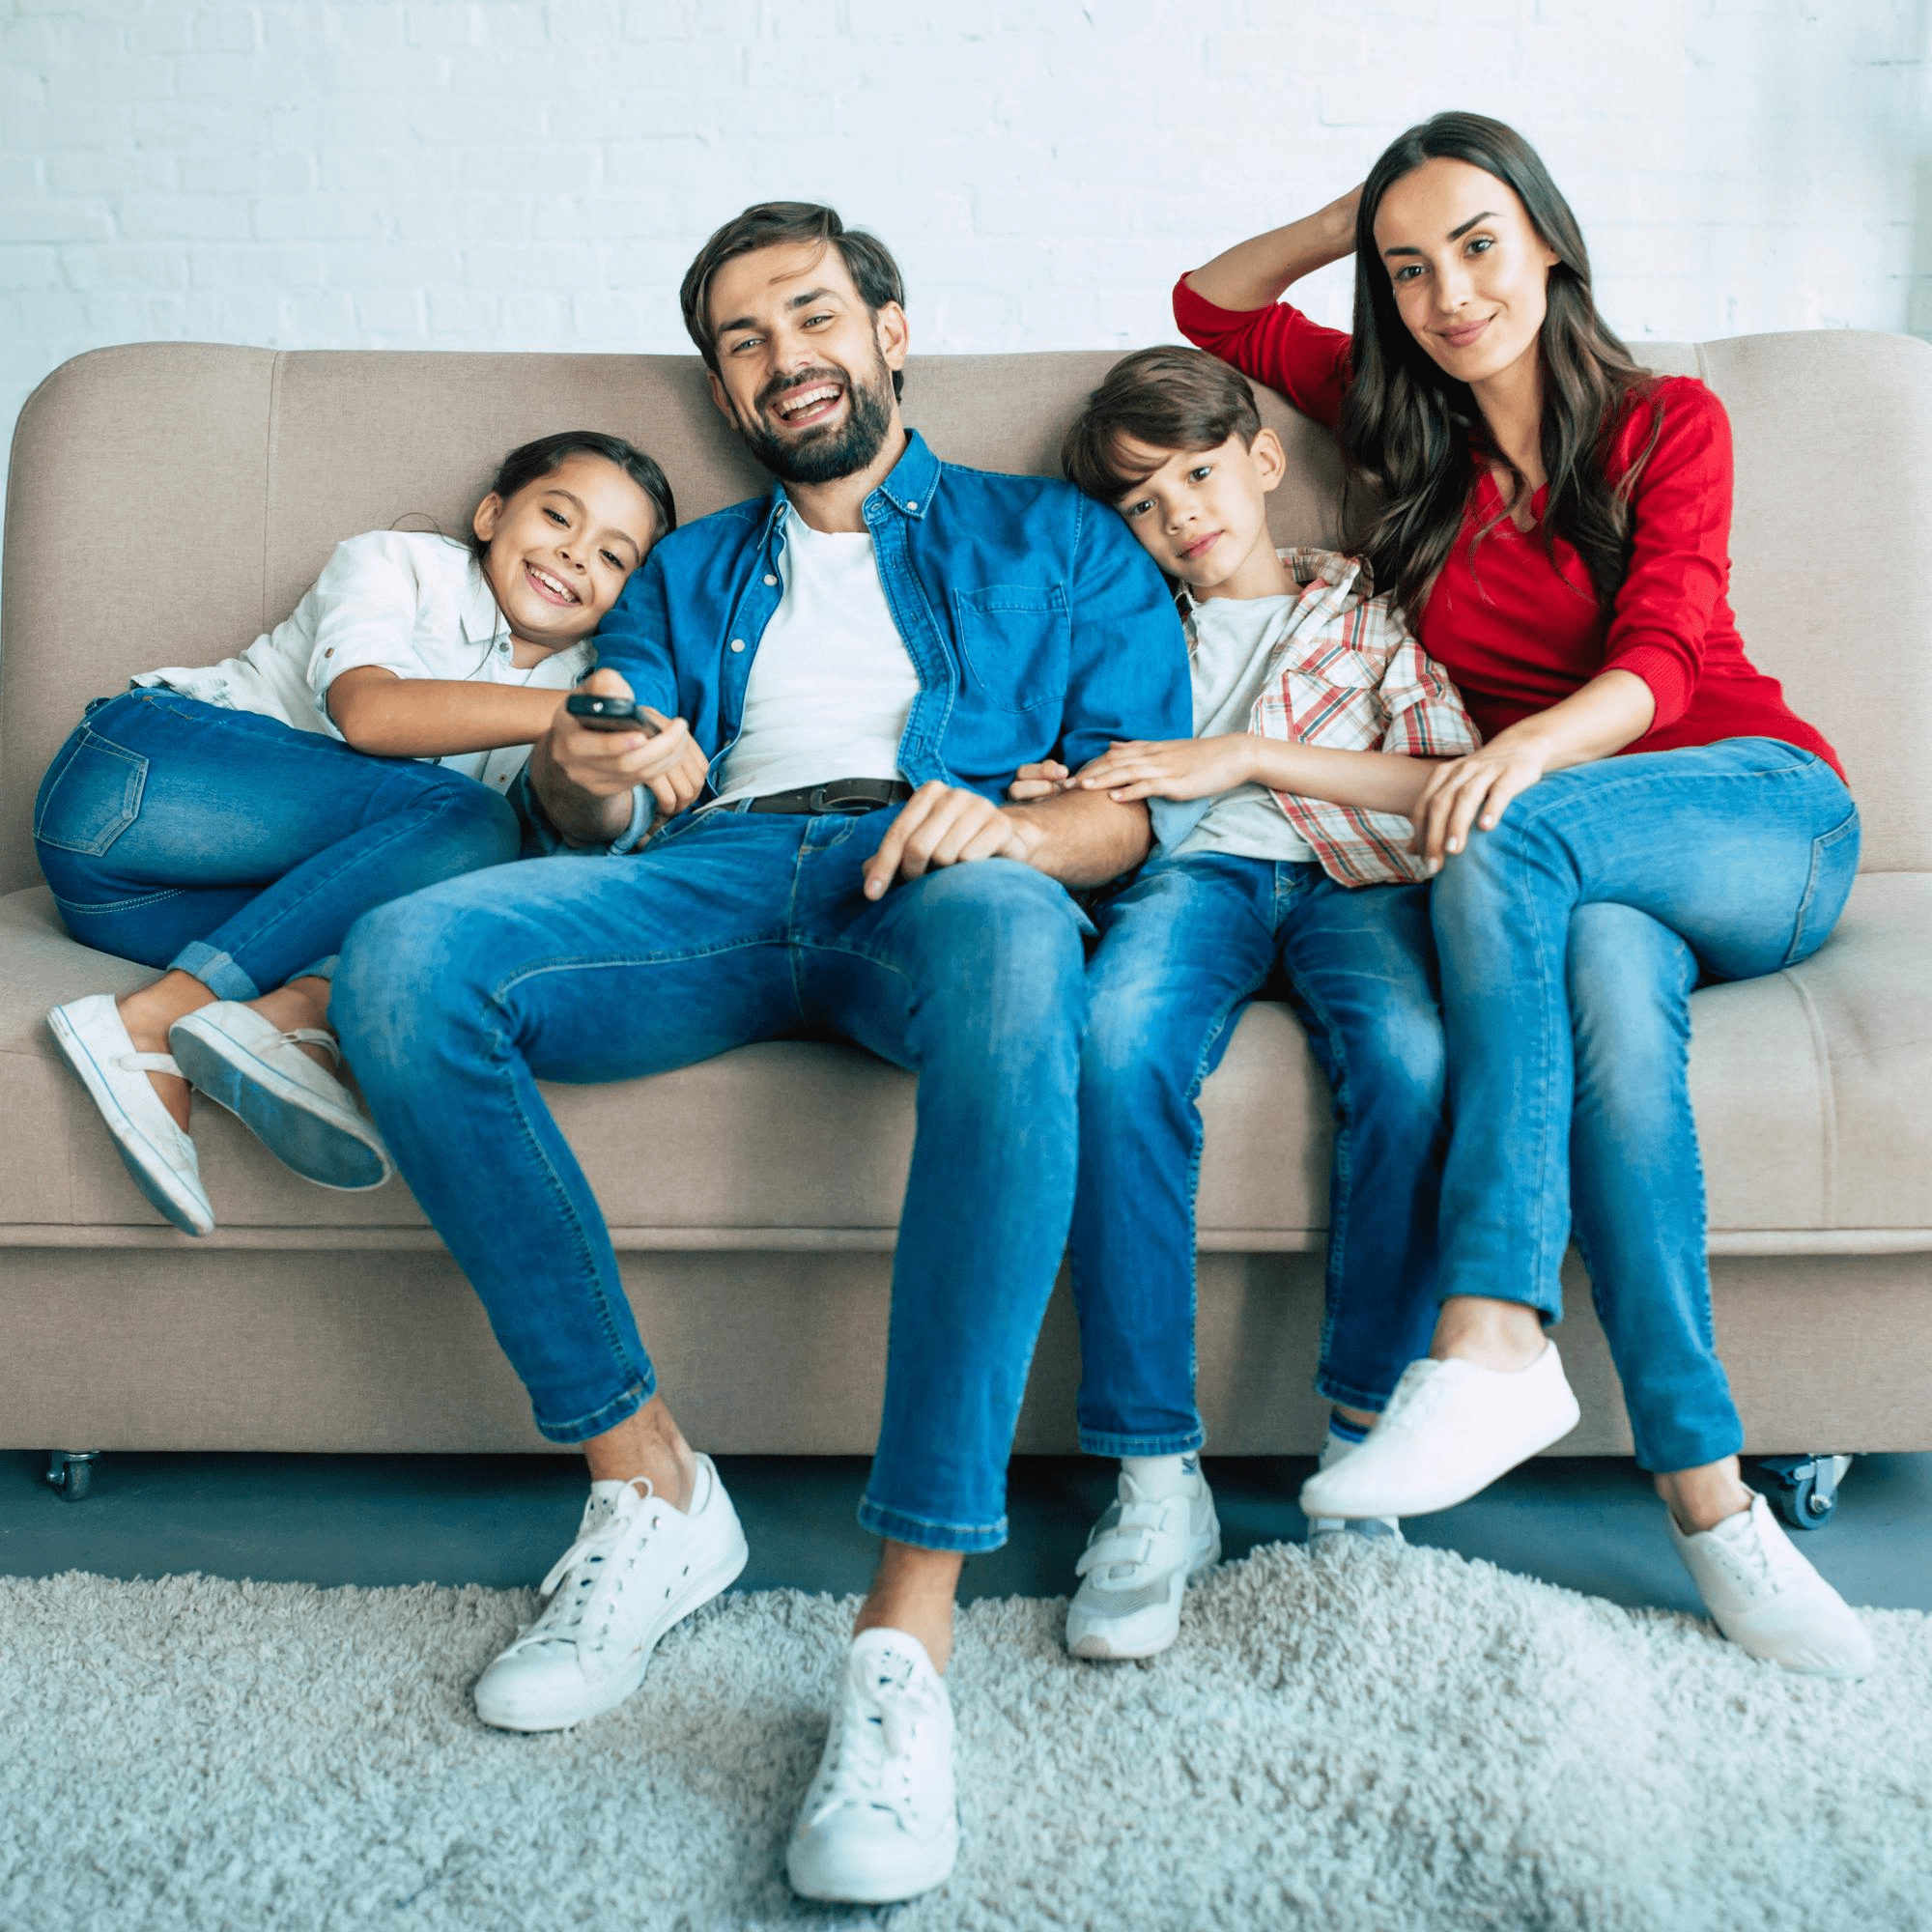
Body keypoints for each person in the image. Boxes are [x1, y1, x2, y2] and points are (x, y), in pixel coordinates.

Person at [327, 203, 1189, 1905]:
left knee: (1024, 945)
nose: (783, 357)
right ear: (727, 391)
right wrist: (595, 764)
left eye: (810, 315)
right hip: (714, 868)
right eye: (742, 338)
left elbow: (1127, 816)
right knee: (408, 958)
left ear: (889, 329)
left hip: (945, 876)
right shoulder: (692, 568)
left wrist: (1015, 843)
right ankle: (649, 1490)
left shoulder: (1064, 543)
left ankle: (906, 1638)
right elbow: (591, 797)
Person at [1178, 111, 1874, 1677]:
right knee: (1619, 1057)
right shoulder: (1397, 433)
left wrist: (1532, 759)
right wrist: (1358, 212)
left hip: (1753, 806)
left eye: (1477, 243)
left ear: (1549, 240)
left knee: (1490, 837)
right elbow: (1211, 308)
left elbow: (1671, 655)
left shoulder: (1665, 420)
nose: (1448, 292)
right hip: (1592, 871)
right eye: (1408, 267)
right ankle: (1717, 1513)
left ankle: (1493, 1328)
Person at [1011, 346, 1477, 1661]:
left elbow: (1442, 779)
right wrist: (1061, 782)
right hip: (1194, 876)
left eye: (1202, 476)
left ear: (1265, 460)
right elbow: (1082, 773)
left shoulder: (1368, 605)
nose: (1184, 517)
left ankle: (1366, 1442)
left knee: (1413, 1061)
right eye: (1147, 505)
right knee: (1113, 1048)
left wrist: (1260, 754)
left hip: (1355, 881)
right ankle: (1157, 1480)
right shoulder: (1124, 619)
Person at [41, 432, 674, 1237]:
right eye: (558, 516)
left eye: (614, 557)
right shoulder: (400, 565)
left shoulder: (590, 678)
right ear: (490, 513)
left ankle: (280, 1018)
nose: (575, 556)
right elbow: (371, 713)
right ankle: (152, 1021)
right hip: (136, 782)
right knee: (470, 815)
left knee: (433, 919)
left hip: (140, 912)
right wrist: (575, 720)